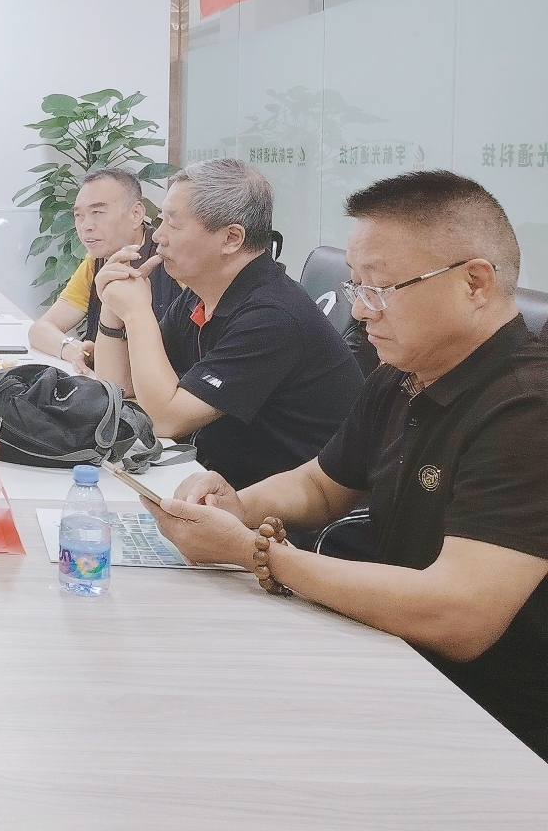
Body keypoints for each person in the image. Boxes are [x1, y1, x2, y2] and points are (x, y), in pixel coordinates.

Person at [143, 171, 548, 759]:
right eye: (356, 286)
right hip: (394, 657)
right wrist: (235, 506)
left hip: (491, 724)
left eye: (380, 289)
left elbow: (459, 614)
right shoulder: (404, 374)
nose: (359, 311)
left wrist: (258, 553)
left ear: (475, 282)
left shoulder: (527, 409)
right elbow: (321, 485)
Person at [91, 157, 363, 489]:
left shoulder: (272, 317)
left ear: (231, 238)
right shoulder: (201, 295)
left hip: (273, 505)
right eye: (160, 219)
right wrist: (112, 308)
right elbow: (120, 390)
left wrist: (137, 313)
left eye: (173, 224)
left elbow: (166, 419)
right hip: (210, 479)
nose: (157, 236)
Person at [27, 167, 179, 373]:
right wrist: (74, 349)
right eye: (79, 215)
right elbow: (41, 329)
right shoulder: (96, 262)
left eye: (97, 213)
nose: (85, 226)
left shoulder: (172, 261)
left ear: (136, 214)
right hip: (107, 383)